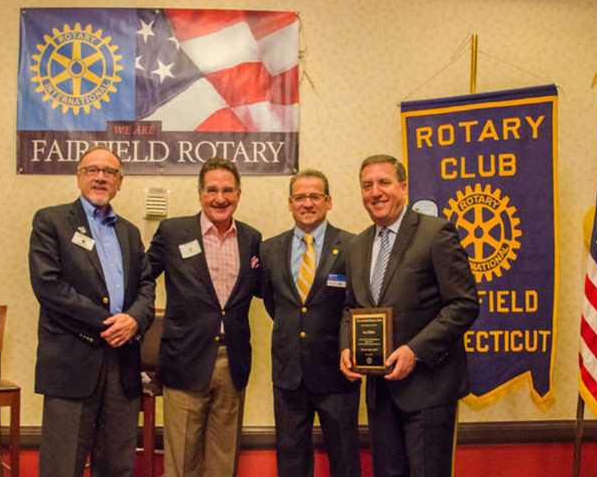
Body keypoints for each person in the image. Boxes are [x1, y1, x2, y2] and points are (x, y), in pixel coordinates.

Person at [339, 154, 479, 477]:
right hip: (380, 392)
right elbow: (351, 307)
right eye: (367, 185)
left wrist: (415, 350)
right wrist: (346, 346)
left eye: (384, 182)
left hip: (429, 390)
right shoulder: (357, 246)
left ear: (403, 187)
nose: (375, 192)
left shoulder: (435, 233)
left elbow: (464, 304)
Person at [28, 145, 155, 477]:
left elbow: (146, 286)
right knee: (62, 465)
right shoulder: (51, 221)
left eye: (110, 172)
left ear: (120, 182)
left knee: (117, 465)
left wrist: (134, 320)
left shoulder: (129, 232)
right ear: (79, 176)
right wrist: (111, 323)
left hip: (123, 363)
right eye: (92, 170)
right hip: (71, 361)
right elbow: (49, 286)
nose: (101, 177)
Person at [147, 157, 262, 477]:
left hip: (233, 359)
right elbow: (142, 278)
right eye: (212, 190)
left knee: (224, 456)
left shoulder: (251, 238)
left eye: (228, 190)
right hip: (185, 357)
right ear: (200, 194)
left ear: (238, 194)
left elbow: (266, 288)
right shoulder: (172, 232)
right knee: (182, 457)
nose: (220, 198)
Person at [260, 170, 361, 477]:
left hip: (338, 374)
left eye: (315, 196)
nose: (307, 203)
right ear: (290, 203)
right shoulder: (269, 249)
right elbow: (273, 303)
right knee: (291, 460)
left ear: (328, 202)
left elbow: (355, 305)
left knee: (344, 458)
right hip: (289, 374)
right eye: (300, 197)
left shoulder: (352, 246)